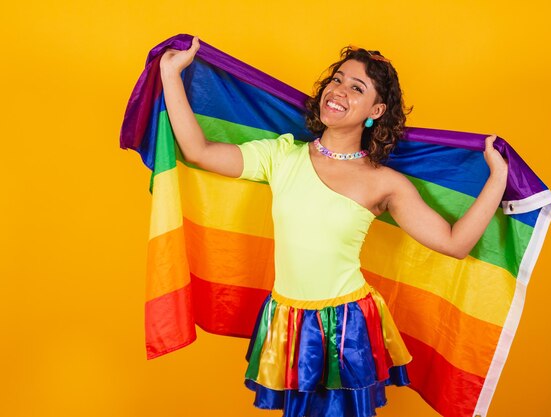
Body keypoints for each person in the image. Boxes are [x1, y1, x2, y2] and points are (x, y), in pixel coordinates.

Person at [159, 36, 508, 417]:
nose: (338, 90)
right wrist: (170, 73)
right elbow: (199, 151)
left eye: (356, 88)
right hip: (288, 318)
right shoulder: (281, 155)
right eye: (337, 79)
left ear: (376, 110)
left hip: (345, 326)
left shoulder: (383, 183)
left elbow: (455, 243)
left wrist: (497, 179)